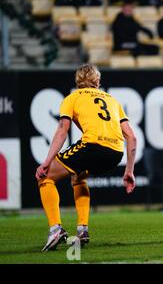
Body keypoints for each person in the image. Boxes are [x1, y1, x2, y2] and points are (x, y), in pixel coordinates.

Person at [35, 64, 137, 252]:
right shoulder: (112, 100)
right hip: (115, 153)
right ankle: (82, 230)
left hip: (92, 147)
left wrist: (47, 162)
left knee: (45, 177)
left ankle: (55, 229)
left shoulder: (72, 97)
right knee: (78, 176)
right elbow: (131, 136)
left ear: (78, 81)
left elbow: (62, 131)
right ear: (97, 81)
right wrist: (129, 171)